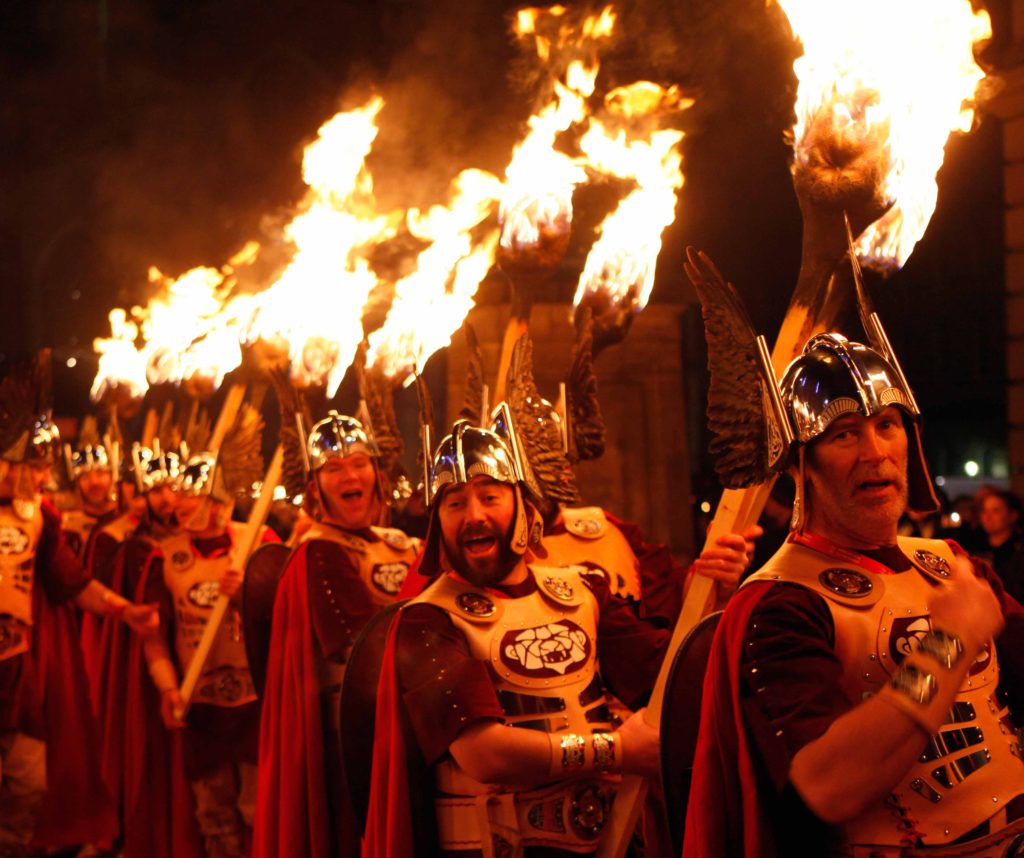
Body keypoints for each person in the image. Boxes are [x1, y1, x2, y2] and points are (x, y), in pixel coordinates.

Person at [683, 332, 1024, 857]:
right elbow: (827, 786)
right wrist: (950, 642)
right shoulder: (782, 606)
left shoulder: (952, 564)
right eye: (844, 434)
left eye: (886, 425)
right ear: (801, 464)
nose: (875, 452)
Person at [364, 415, 751, 857]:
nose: (474, 515)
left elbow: (668, 683)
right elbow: (484, 753)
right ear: (438, 524)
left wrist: (714, 601)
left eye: (490, 496)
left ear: (524, 508)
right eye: (455, 504)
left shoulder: (583, 590)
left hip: (614, 840)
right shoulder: (427, 620)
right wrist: (617, 750)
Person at [0, 355, 158, 854]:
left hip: (17, 677)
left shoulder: (39, 518)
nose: (43, 477)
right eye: (35, 466)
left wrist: (125, 611)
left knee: (29, 787)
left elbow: (71, 583)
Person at [254, 411, 421, 858]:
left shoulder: (402, 544)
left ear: (377, 474)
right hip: (356, 743)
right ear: (315, 489)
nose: (350, 474)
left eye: (360, 463)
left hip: (410, 728)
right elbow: (365, 644)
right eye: (334, 468)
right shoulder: (317, 554)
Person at [140, 408, 278, 858]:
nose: (209, 510)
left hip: (256, 703)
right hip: (200, 704)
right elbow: (154, 633)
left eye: (216, 500)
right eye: (192, 498)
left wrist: (252, 592)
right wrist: (166, 688)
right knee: (213, 818)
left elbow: (289, 619)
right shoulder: (166, 555)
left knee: (260, 812)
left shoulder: (258, 541)